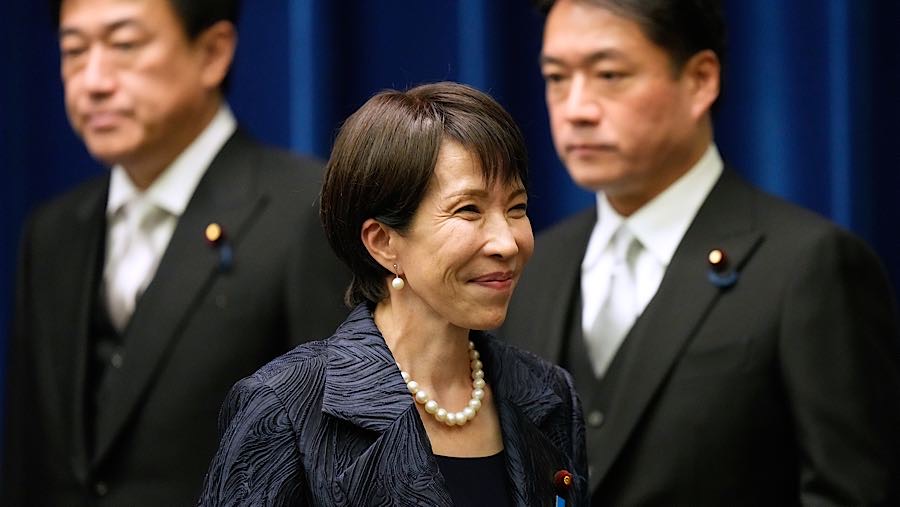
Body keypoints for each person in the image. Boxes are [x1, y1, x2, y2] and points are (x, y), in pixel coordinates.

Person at [501, 0, 900, 505]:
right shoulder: (530, 263)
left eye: (609, 74)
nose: (576, 108)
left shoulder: (809, 265)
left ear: (700, 80)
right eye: (557, 77)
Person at [2, 0, 348, 504]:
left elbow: (337, 462)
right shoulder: (52, 232)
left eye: (124, 45)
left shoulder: (308, 212)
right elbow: (26, 464)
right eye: (74, 51)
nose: (93, 80)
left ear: (213, 52)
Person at [198, 81, 588, 506]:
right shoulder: (287, 408)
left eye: (516, 208)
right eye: (469, 210)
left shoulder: (548, 395)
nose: (507, 243)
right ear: (383, 242)